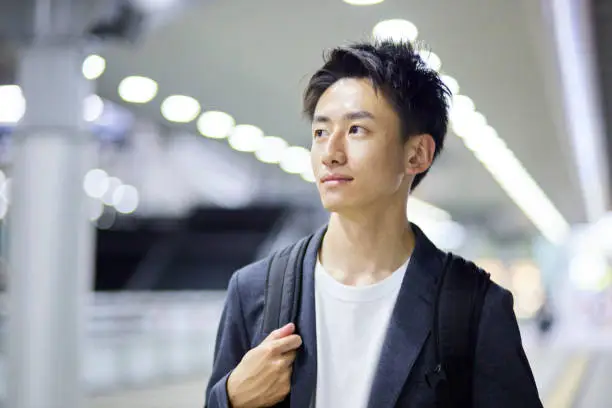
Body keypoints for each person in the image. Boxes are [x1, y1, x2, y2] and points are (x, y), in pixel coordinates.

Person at [205, 40, 543, 408]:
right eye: (321, 132)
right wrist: (230, 398)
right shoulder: (255, 291)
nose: (331, 154)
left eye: (356, 131)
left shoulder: (474, 308)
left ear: (416, 154)